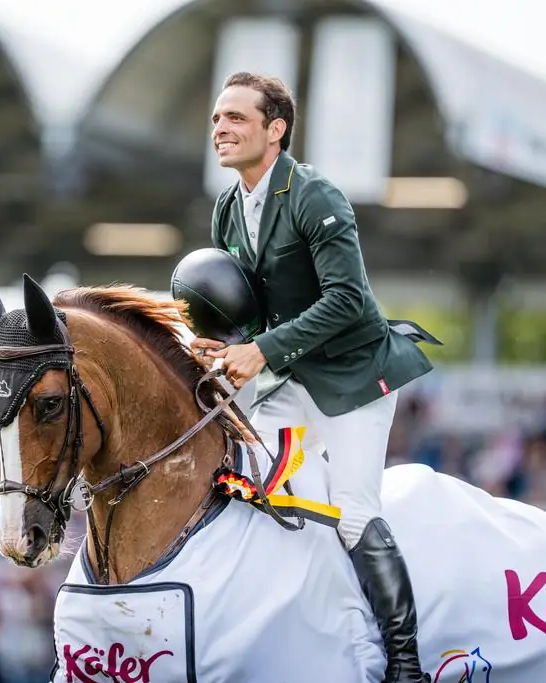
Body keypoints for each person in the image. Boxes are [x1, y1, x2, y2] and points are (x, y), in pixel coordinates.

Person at [192, 71, 436, 683]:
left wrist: (262, 351)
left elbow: (348, 300)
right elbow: (250, 310)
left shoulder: (314, 195)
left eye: (236, 117)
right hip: (291, 378)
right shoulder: (227, 209)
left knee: (352, 513)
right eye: (217, 118)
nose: (220, 128)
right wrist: (225, 343)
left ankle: (405, 661)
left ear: (275, 129)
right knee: (249, 488)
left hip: (355, 377)